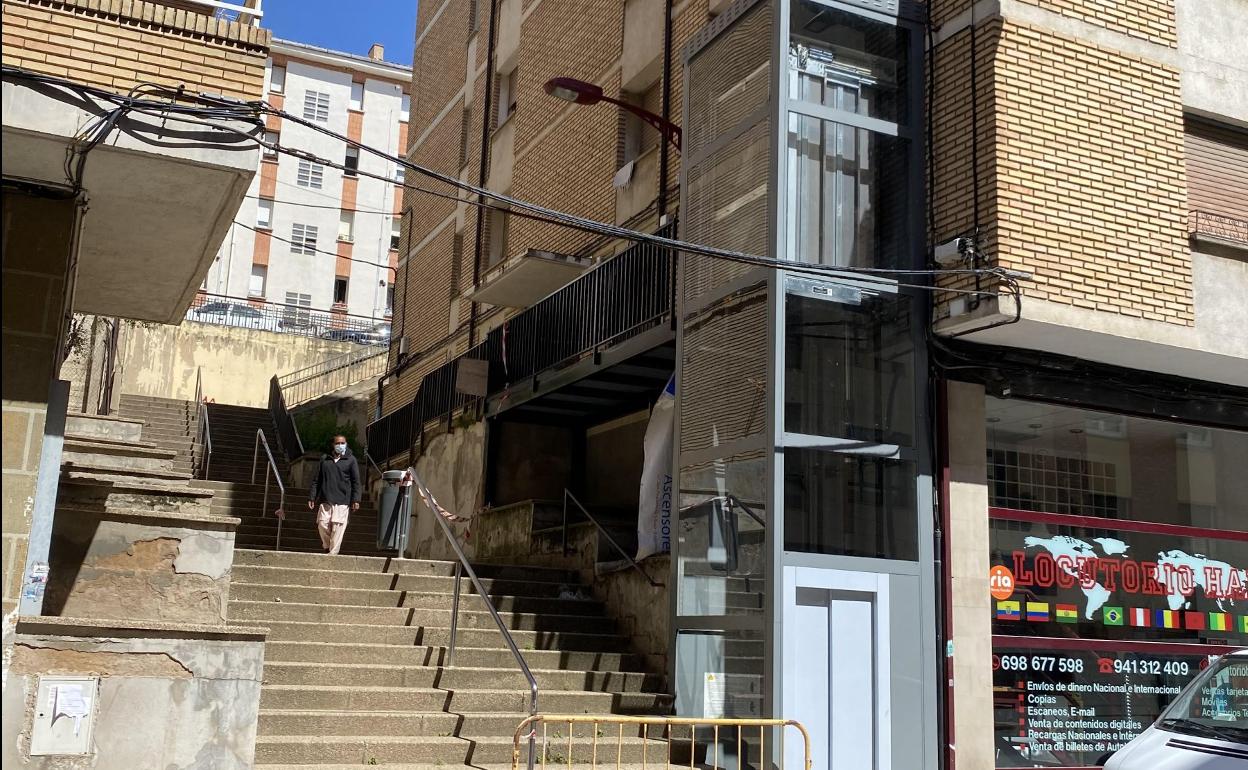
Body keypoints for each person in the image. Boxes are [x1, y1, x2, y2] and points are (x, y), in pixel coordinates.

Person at [307, 435, 361, 555]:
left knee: (337, 528)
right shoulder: (325, 459)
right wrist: (312, 497)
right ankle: (327, 547)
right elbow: (317, 480)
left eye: (343, 443)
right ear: (333, 445)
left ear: (346, 444)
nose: (340, 445)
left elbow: (356, 481)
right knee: (322, 524)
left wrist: (356, 500)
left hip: (342, 500)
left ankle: (333, 554)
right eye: (338, 443)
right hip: (326, 499)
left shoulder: (351, 460)